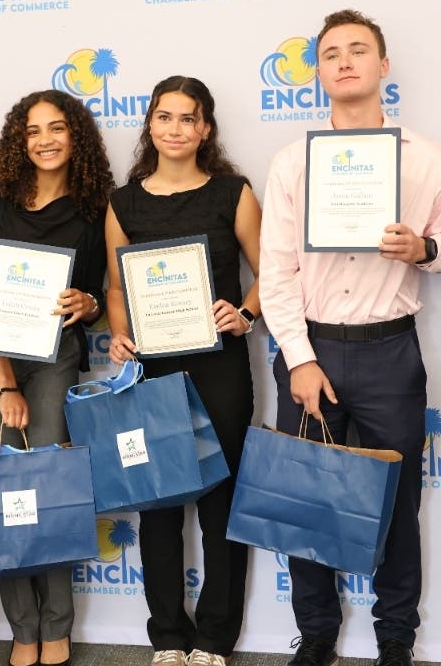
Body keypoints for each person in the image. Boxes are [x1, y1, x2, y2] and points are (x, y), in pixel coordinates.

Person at [260, 9, 441, 666]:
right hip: (311, 349)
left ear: (382, 66)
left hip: (388, 351)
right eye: (330, 53)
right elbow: (276, 270)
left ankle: (394, 637)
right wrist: (297, 358)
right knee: (303, 499)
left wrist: (421, 247)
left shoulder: (424, 157)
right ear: (318, 73)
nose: (344, 61)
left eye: (358, 50)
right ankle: (315, 631)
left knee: (395, 501)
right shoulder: (293, 163)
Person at [105, 75, 262, 666]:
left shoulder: (232, 193)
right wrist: (119, 333)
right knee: (159, 505)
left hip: (220, 367)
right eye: (164, 117)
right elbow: (116, 286)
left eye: (188, 118)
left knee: (221, 502)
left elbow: (269, 271)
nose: (175, 129)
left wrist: (245, 313)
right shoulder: (124, 203)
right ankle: (168, 635)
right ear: (150, 124)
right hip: (151, 371)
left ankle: (215, 638)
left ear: (206, 128)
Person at [0, 89, 114, 666]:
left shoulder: (96, 206)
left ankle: (58, 624)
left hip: (55, 358)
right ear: (17, 141)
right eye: (32, 131)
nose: (45, 140)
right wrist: (4, 382)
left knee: (47, 488)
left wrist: (87, 302)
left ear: (76, 136)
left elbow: (98, 295)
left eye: (57, 128)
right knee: (2, 491)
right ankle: (23, 629)